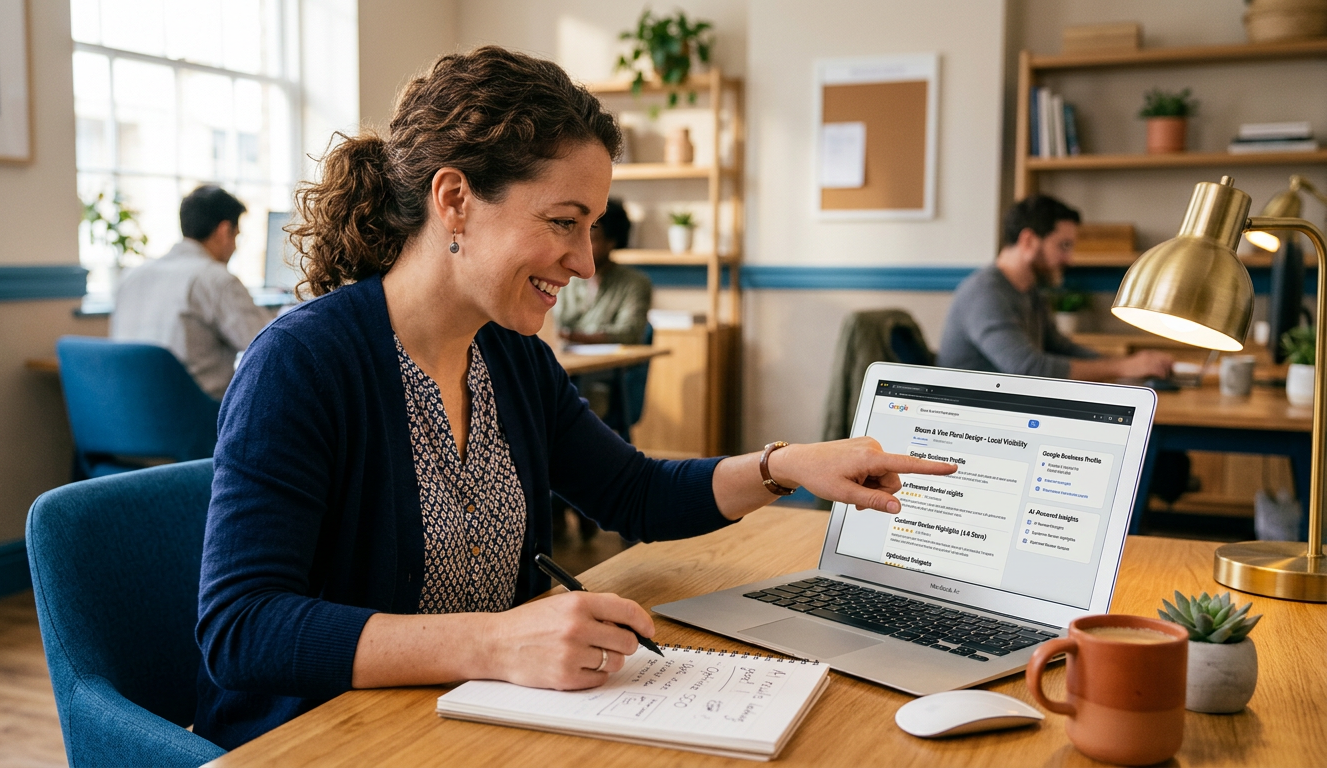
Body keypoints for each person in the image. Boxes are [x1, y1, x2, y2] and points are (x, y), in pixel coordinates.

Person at [193, 46, 956, 750]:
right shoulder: (301, 364)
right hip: (327, 738)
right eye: (564, 222)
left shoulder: (511, 356)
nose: (586, 262)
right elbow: (243, 629)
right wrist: (495, 641)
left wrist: (784, 465)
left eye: (589, 228)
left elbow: (633, 492)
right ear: (454, 199)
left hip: (476, 714)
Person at [937, 194, 1173, 382]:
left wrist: (1129, 366)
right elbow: (1029, 369)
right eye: (1063, 246)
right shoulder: (985, 294)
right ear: (1028, 240)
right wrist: (1124, 367)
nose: (1068, 259)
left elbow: (1058, 348)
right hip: (972, 424)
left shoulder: (1028, 289)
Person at [110, 185, 270, 399]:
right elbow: (269, 346)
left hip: (130, 417)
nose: (235, 247)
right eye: (236, 236)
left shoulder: (131, 277)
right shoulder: (216, 279)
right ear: (224, 231)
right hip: (195, 417)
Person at [556, 198, 651, 345]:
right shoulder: (563, 279)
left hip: (608, 365)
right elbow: (550, 323)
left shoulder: (634, 283)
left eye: (591, 239)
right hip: (561, 361)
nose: (581, 246)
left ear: (611, 242)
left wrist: (571, 337)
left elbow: (629, 333)